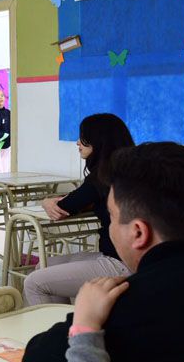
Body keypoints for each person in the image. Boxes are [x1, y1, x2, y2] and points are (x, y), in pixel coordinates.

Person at [22, 142, 184, 362]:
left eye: (112, 218)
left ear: (138, 232)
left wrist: (84, 323)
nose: (110, 227)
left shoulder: (128, 306)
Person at [23, 113, 134, 305]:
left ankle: (59, 332)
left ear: (98, 141)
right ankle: (66, 326)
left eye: (83, 138)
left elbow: (63, 208)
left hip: (119, 262)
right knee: (43, 265)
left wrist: (46, 201)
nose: (77, 143)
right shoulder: (130, 169)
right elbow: (78, 201)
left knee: (34, 283)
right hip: (129, 258)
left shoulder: (101, 176)